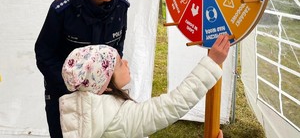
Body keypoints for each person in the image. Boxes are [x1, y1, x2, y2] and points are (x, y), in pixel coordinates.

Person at [35, 0, 130, 138]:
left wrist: (108, 84)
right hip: (63, 91)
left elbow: (117, 49)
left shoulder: (121, 6)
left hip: (103, 91)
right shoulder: (62, 10)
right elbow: (44, 55)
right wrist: (73, 87)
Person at [59, 35, 230, 138]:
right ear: (106, 84)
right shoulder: (117, 119)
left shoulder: (82, 109)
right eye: (118, 64)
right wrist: (211, 64)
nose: (125, 62)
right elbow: (170, 106)